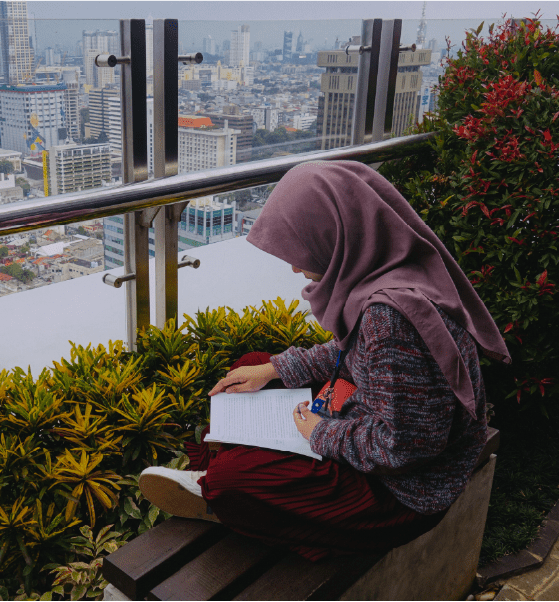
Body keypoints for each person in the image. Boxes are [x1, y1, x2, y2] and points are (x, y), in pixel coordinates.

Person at [138, 160, 510, 562]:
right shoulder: (392, 267)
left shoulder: (392, 318)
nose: (297, 267)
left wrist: (318, 433)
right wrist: (273, 369)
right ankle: (236, 465)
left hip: (400, 490)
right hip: (359, 403)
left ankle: (227, 484)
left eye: (302, 249)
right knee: (253, 363)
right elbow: (352, 354)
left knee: (233, 479)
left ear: (337, 234)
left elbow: (404, 448)